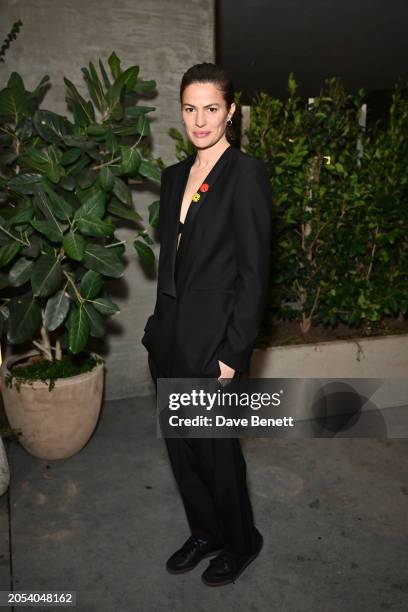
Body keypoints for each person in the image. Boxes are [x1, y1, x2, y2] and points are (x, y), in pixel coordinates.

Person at [141, 62, 272, 586]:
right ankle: (206, 531)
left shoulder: (246, 175)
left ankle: (241, 541)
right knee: (181, 447)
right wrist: (156, 330)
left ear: (231, 112)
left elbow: (254, 273)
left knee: (217, 454)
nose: (200, 120)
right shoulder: (174, 176)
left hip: (214, 341)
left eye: (211, 109)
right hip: (170, 335)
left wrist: (233, 352)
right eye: (191, 108)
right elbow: (172, 259)